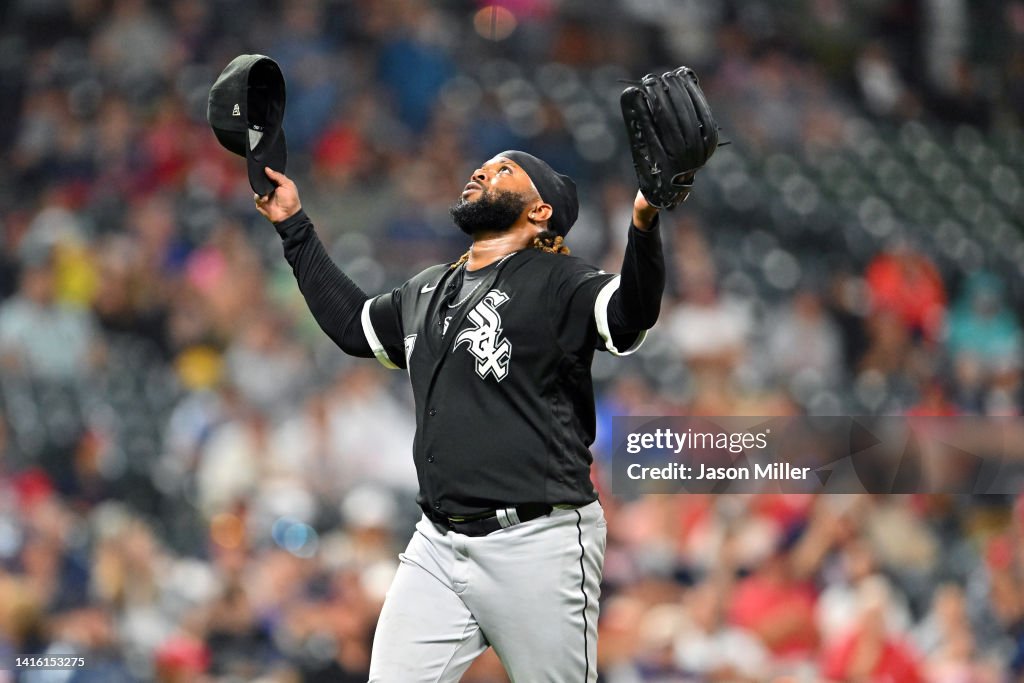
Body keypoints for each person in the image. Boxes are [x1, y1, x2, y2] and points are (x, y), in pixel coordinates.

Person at [255, 149, 666, 682]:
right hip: (438, 543)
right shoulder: (429, 288)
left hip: (537, 542)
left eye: (503, 171)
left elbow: (628, 315)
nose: (479, 172)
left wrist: (643, 222)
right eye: (483, 167)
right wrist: (292, 224)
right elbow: (354, 325)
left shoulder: (560, 281)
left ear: (539, 211)